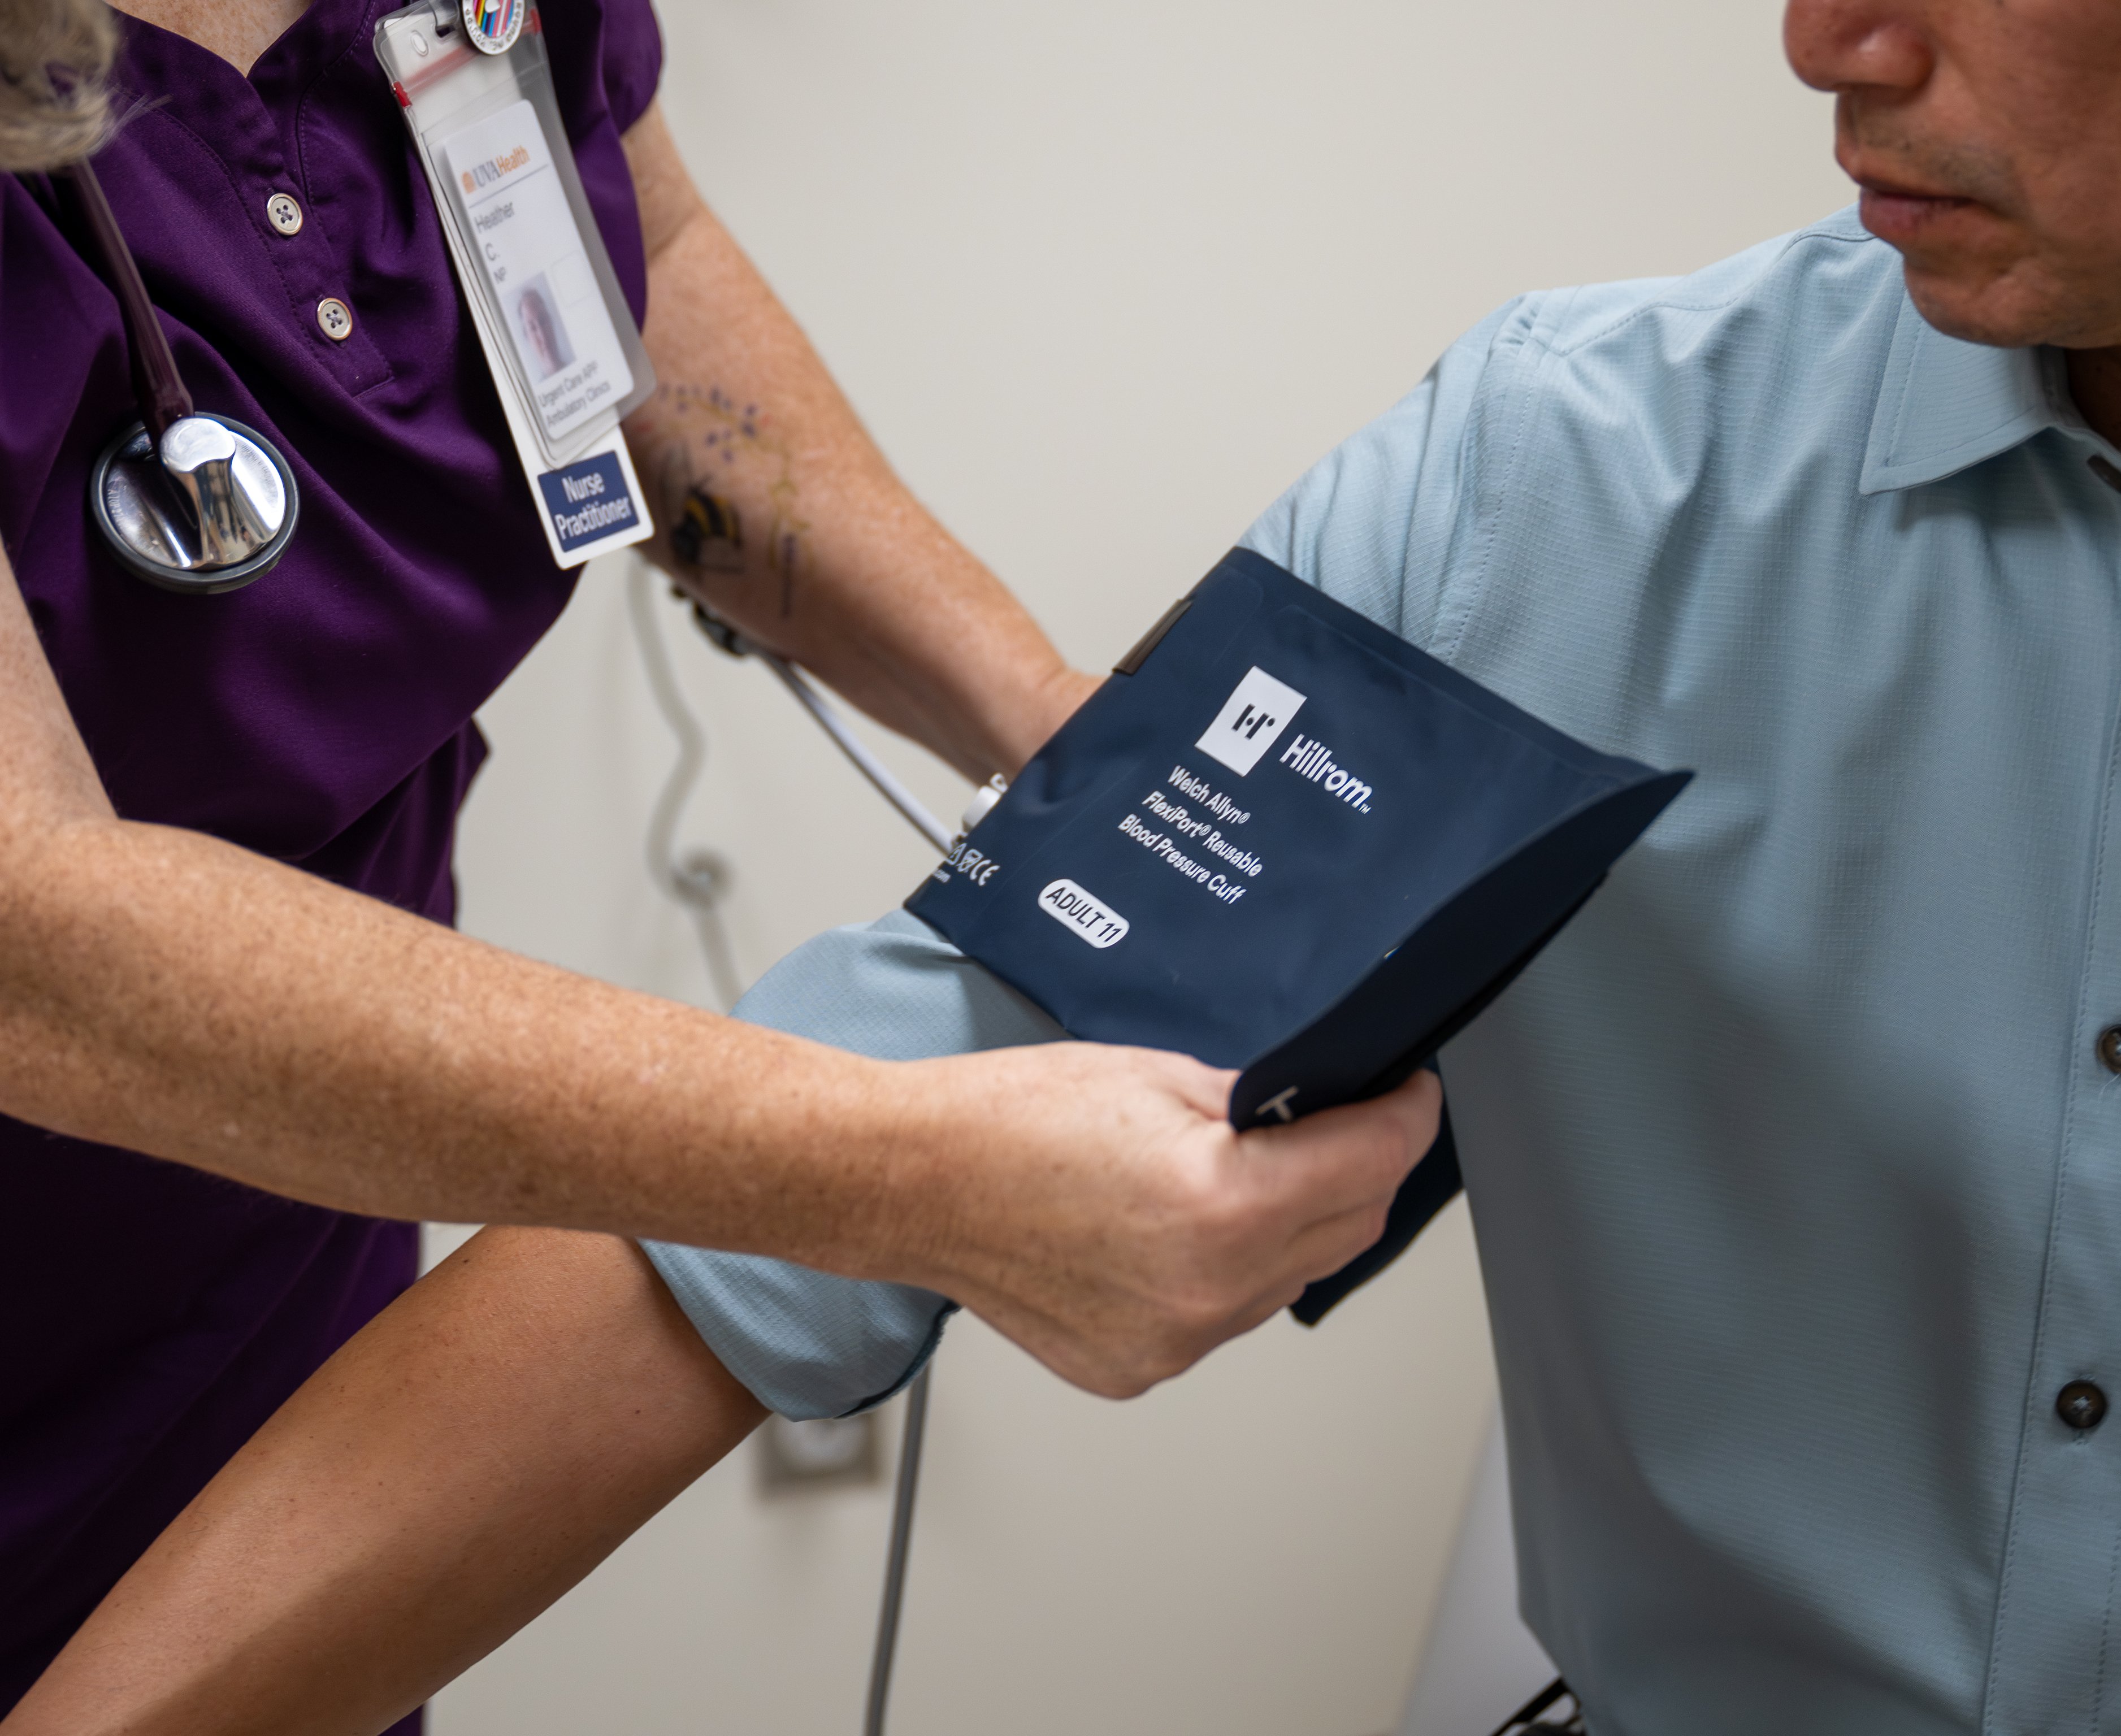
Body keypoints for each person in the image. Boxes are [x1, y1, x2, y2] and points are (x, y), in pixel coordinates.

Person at [21, 0, 2121, 1729]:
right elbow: (733, 1241)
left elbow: (629, 259)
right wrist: (1097, 898)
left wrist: (1080, 760)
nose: (1821, 41)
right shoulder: (1580, 483)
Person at [0, 0, 1437, 1719]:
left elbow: (632, 256)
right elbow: (37, 933)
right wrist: (910, 1178)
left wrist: (1066, 742)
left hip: (262, 1304)